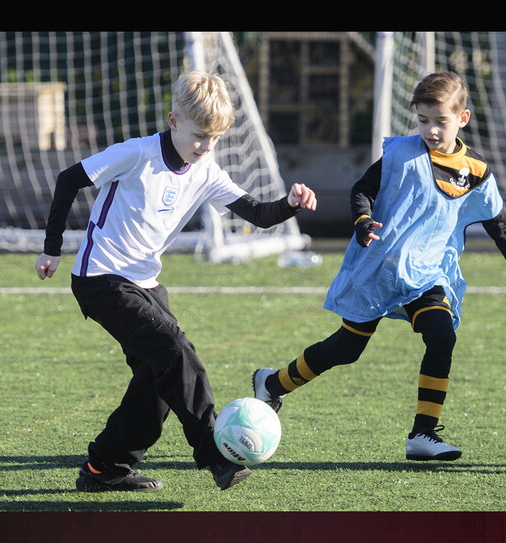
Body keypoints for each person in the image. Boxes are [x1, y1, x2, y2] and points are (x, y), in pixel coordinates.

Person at [34, 70, 317, 492]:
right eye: (200, 136)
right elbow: (68, 179)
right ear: (173, 121)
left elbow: (258, 214)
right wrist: (52, 248)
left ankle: (105, 467)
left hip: (146, 284)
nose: (206, 146)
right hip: (101, 278)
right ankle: (214, 453)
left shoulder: (206, 171)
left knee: (159, 380)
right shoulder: (137, 153)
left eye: (215, 138)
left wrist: (290, 204)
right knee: (176, 351)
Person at [252, 71, 506, 462]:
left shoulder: (475, 170)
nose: (430, 130)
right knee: (347, 349)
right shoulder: (401, 155)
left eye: (440, 121)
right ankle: (273, 383)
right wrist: (363, 222)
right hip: (381, 269)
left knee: (442, 336)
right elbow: (362, 189)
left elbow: (498, 219)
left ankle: (422, 434)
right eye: (423, 120)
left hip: (427, 274)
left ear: (463, 118)